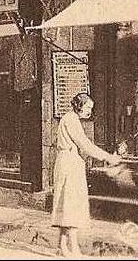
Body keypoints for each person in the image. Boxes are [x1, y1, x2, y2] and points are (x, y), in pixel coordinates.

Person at [52, 92, 122, 257]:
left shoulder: (71, 119)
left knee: (66, 205)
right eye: (88, 107)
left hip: (69, 162)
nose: (90, 111)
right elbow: (85, 145)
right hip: (69, 164)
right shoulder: (71, 120)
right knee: (72, 205)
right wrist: (108, 157)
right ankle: (73, 247)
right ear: (79, 105)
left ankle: (62, 246)